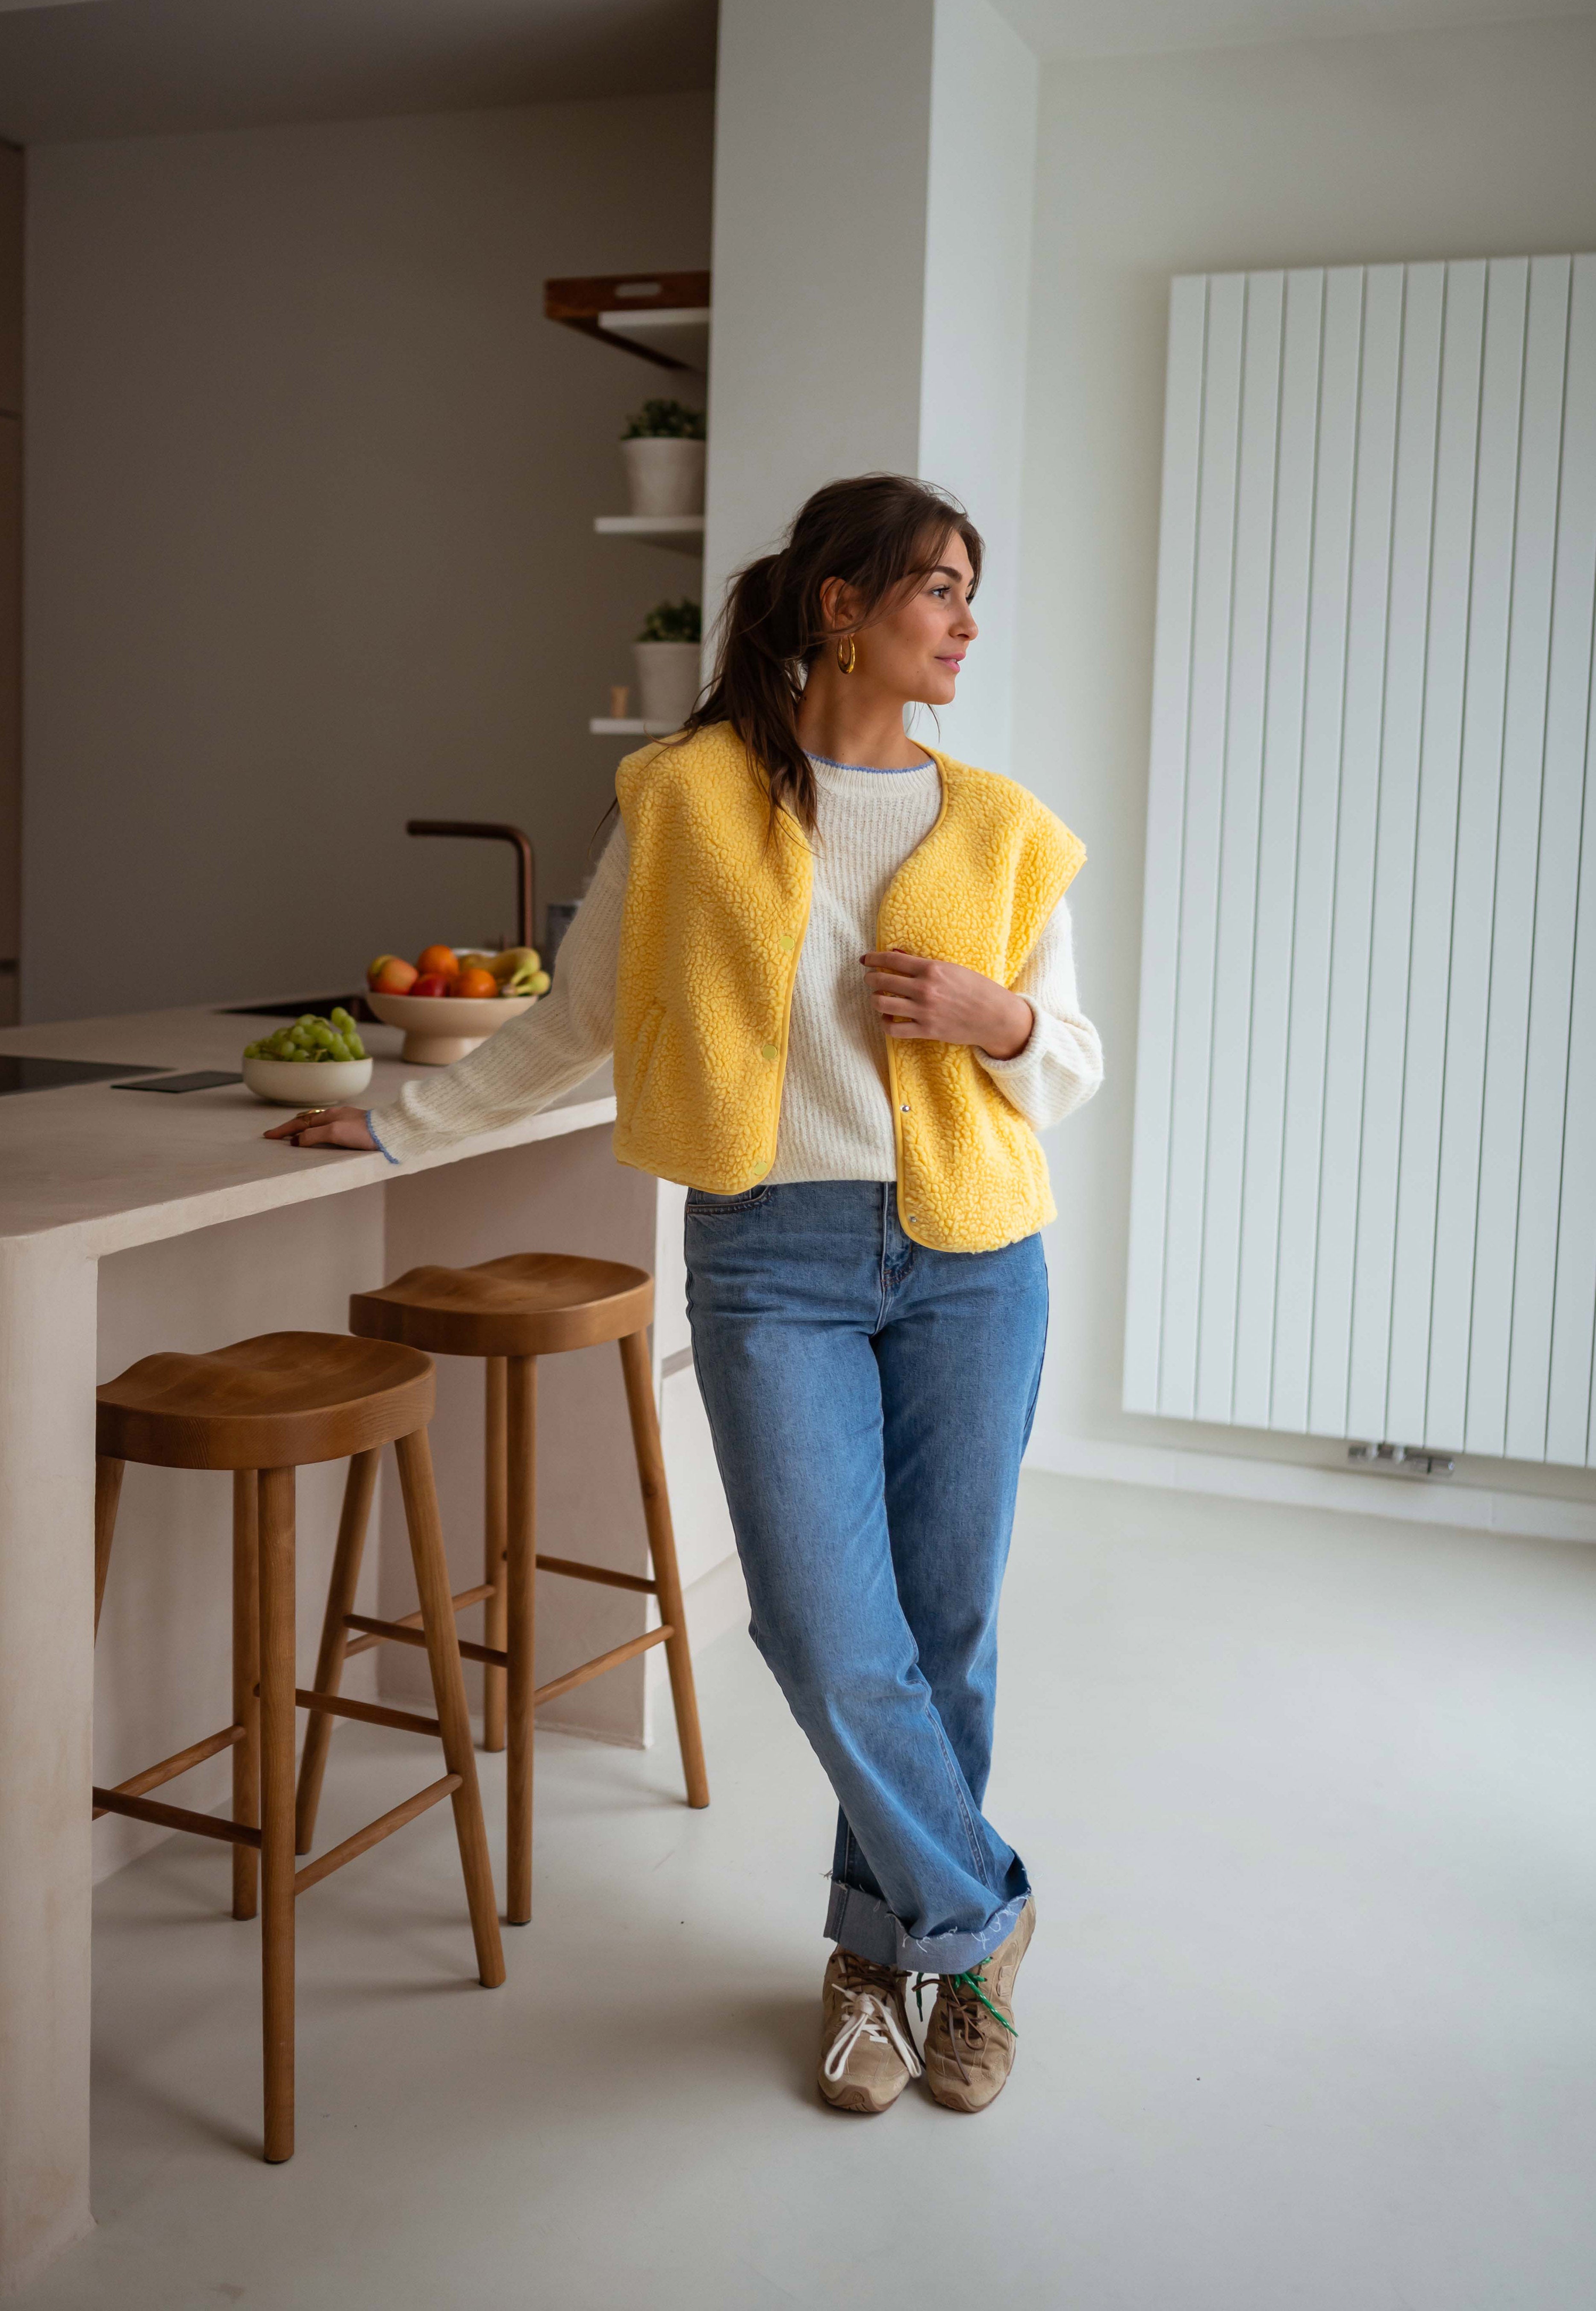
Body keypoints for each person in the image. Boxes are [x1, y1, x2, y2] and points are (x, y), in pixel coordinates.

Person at [267, 473, 1103, 2116]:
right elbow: (575, 1025)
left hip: (974, 1258)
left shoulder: (1005, 826)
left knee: (944, 1634)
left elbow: (1069, 1062)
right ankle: (981, 1920)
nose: (966, 621)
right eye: (938, 587)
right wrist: (389, 1122)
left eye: (970, 590)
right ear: (838, 606)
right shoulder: (690, 796)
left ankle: (883, 1959)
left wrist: (996, 1019)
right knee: (814, 1620)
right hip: (771, 1259)